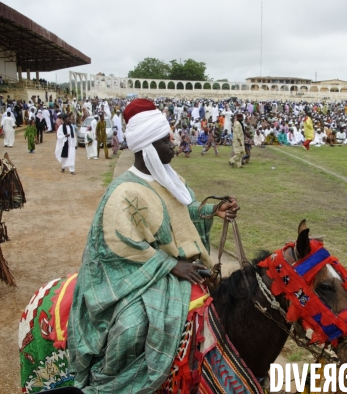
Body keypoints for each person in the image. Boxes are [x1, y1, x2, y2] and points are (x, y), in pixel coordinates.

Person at [67, 99, 239, 393]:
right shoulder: (122, 192)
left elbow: (179, 217)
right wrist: (172, 264)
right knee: (131, 329)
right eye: (166, 140)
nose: (174, 144)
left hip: (176, 267)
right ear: (148, 148)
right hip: (134, 275)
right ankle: (107, 384)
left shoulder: (170, 179)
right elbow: (117, 249)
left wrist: (212, 211)